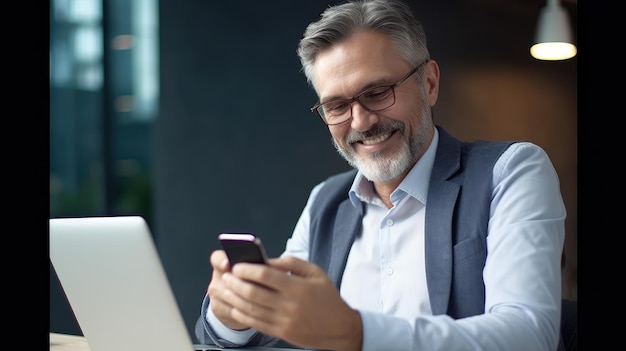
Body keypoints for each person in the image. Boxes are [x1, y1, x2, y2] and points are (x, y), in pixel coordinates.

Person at [195, 0, 566, 350]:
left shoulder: (511, 171)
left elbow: (530, 334)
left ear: (430, 84)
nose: (361, 121)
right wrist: (232, 314)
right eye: (337, 105)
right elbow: (271, 328)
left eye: (377, 92)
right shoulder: (326, 201)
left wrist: (354, 334)